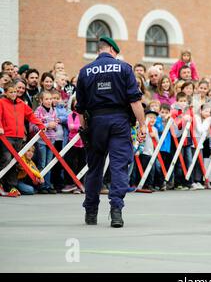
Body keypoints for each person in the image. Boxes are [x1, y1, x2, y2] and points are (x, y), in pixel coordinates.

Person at [75, 36, 146, 228]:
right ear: (113, 51)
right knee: (119, 166)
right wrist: (143, 125)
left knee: (95, 169)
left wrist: (84, 130)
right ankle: (116, 211)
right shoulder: (123, 68)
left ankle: (91, 212)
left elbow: (79, 108)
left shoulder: (84, 72)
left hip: (95, 123)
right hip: (119, 122)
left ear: (98, 51)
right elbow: (135, 100)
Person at [0, 82, 45, 197]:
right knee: (6, 159)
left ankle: (11, 187)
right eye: (11, 92)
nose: (14, 94)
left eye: (15, 91)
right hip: (6, 136)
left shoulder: (21, 104)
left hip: (19, 137)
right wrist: (0, 127)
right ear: (5, 93)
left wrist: (40, 125)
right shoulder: (1, 102)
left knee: (16, 163)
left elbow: (30, 115)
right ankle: (2, 184)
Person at [32, 91, 58, 194]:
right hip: (42, 140)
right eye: (46, 99)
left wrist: (54, 125)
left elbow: (56, 124)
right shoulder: (38, 111)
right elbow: (34, 126)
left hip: (51, 140)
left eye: (50, 99)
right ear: (41, 100)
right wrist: (47, 125)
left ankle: (48, 185)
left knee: (49, 164)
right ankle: (41, 185)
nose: (49, 101)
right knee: (42, 163)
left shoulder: (54, 110)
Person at [63, 98, 85, 194]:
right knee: (70, 162)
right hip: (73, 143)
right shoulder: (71, 115)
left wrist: (80, 126)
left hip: (83, 143)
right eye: (75, 104)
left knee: (82, 163)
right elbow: (70, 127)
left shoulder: (85, 114)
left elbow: (86, 126)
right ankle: (70, 183)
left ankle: (79, 184)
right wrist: (80, 126)